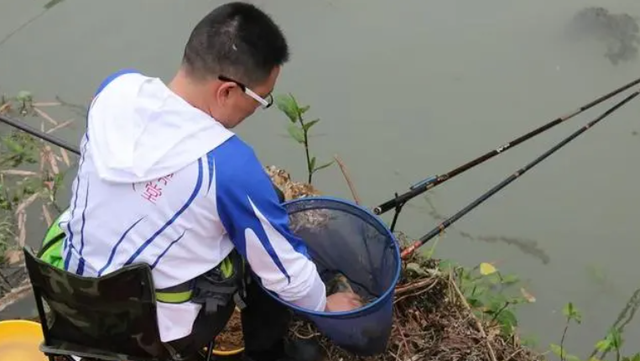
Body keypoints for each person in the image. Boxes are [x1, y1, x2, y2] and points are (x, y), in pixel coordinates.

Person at [46, 2, 363, 361]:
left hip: (72, 311)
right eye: (261, 98)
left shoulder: (115, 90)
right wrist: (324, 302)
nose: (258, 108)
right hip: (149, 342)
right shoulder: (229, 166)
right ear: (227, 91)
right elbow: (285, 274)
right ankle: (267, 354)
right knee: (259, 242)